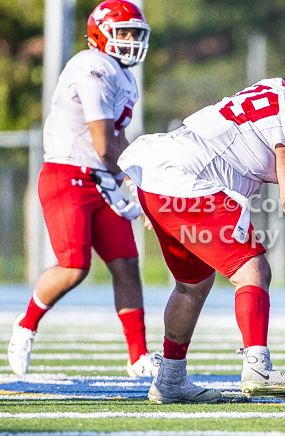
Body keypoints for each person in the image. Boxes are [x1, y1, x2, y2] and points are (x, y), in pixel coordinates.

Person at [118, 51, 285, 404]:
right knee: (253, 270)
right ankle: (257, 366)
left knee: (192, 285)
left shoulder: (273, 90)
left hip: (158, 176)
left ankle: (170, 379)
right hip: (188, 181)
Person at [7, 0, 158, 378]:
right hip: (67, 174)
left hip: (99, 178)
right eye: (122, 32)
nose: (130, 40)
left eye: (134, 34)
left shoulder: (124, 77)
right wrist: (135, 184)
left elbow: (118, 139)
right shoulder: (91, 67)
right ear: (100, 33)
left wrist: (142, 176)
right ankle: (25, 326)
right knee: (74, 267)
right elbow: (105, 145)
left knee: (126, 266)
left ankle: (138, 357)